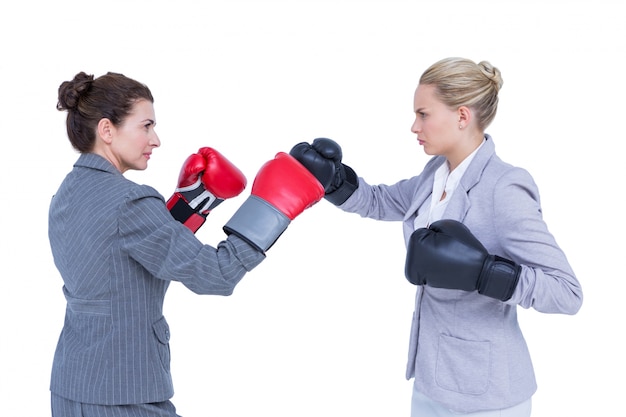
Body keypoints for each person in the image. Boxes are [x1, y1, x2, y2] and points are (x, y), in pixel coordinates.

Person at [289, 57, 583, 416]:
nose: (414, 126)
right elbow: (381, 201)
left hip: (487, 396)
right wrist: (332, 181)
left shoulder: (504, 186)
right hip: (431, 381)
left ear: (462, 116)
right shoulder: (437, 172)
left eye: (423, 114)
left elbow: (567, 293)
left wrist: (486, 274)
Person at [49, 71, 324, 417]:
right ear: (107, 130)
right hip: (125, 392)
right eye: (146, 126)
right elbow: (216, 275)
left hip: (71, 387)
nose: (156, 139)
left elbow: (131, 253)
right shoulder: (131, 201)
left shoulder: (67, 193)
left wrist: (193, 202)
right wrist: (271, 207)